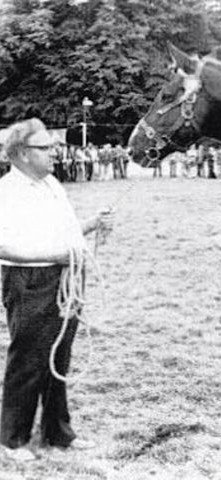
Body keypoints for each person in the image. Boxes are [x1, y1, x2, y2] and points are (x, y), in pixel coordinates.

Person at [0, 119, 114, 462]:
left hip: (66, 277)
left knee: (58, 356)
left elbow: (63, 231)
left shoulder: (51, 184)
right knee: (29, 358)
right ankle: (12, 440)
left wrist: (91, 224)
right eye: (45, 148)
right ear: (21, 154)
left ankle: (57, 432)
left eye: (53, 146)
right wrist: (55, 255)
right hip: (30, 281)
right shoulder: (8, 191)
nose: (55, 152)